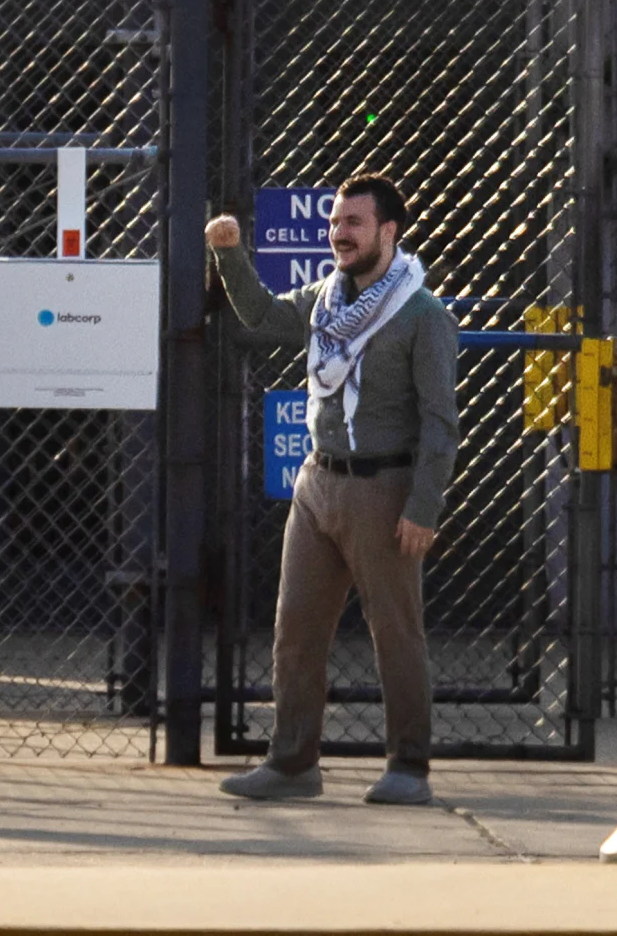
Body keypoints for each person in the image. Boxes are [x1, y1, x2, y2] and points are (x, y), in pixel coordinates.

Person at [207, 170, 459, 806]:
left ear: (388, 231)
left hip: (386, 489)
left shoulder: (424, 316)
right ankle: (292, 764)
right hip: (317, 484)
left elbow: (441, 423)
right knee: (295, 628)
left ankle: (409, 767)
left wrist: (423, 505)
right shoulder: (325, 300)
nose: (339, 234)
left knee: (396, 631)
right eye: (335, 222)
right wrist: (230, 254)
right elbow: (262, 316)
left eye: (353, 223)